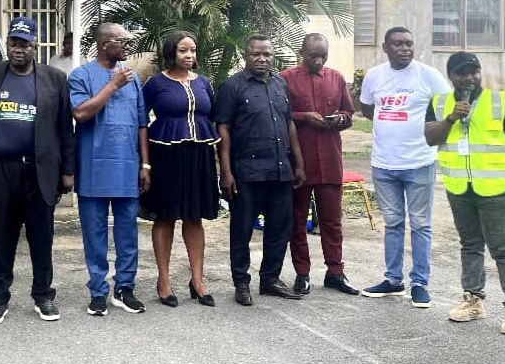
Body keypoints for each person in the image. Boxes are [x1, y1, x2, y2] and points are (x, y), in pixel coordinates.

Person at [0, 17, 75, 325]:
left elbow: (65, 127)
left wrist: (68, 170)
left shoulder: (54, 79)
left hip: (40, 171)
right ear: (8, 44)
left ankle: (43, 296)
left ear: (35, 46)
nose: (18, 49)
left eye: (24, 44)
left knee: (41, 238)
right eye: (13, 43)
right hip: (0, 170)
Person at [424, 51, 505, 335]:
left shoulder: (499, 101)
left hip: (494, 189)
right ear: (451, 76)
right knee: (470, 245)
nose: (469, 77)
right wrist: (451, 118)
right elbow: (431, 137)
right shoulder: (440, 103)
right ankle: (473, 300)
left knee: (502, 250)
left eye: (474, 71)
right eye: (462, 72)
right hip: (459, 187)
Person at [359, 26, 451, 308]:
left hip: (419, 162)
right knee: (393, 223)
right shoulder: (374, 76)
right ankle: (393, 280)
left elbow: (448, 108)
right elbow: (368, 109)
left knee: (421, 224)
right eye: (398, 44)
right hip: (384, 165)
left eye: (409, 44)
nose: (404, 49)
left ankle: (420, 283)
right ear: (385, 47)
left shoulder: (428, 75)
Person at [215, 34, 306, 306]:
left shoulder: (280, 84)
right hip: (247, 173)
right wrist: (226, 172)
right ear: (246, 55)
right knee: (241, 230)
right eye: (256, 54)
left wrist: (298, 164)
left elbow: (289, 124)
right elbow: (223, 129)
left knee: (279, 228)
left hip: (280, 171)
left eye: (267, 54)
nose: (262, 59)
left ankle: (270, 280)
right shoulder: (232, 87)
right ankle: (241, 283)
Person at [69, 22, 150, 316]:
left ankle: (124, 288)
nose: (127, 46)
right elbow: (81, 113)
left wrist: (145, 164)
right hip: (93, 167)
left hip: (127, 166)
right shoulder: (81, 75)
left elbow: (142, 123)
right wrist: (113, 85)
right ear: (105, 45)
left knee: (128, 233)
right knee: (95, 234)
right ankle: (98, 291)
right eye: (122, 41)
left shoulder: (133, 78)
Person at [140, 31, 220, 307]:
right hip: (166, 156)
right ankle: (163, 280)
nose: (189, 55)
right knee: (165, 216)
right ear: (171, 53)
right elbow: (141, 121)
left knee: (194, 217)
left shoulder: (204, 83)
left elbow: (212, 117)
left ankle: (197, 280)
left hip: (199, 157)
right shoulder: (156, 83)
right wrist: (144, 163)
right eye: (183, 51)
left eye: (193, 50)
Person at [280, 33, 359, 296]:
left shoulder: (336, 78)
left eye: (323, 56)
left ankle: (335, 272)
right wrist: (304, 117)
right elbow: (279, 114)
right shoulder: (286, 78)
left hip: (330, 161)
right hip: (300, 163)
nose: (318, 61)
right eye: (313, 56)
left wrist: (339, 119)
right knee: (297, 221)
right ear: (302, 52)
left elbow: (349, 114)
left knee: (332, 221)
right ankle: (302, 273)